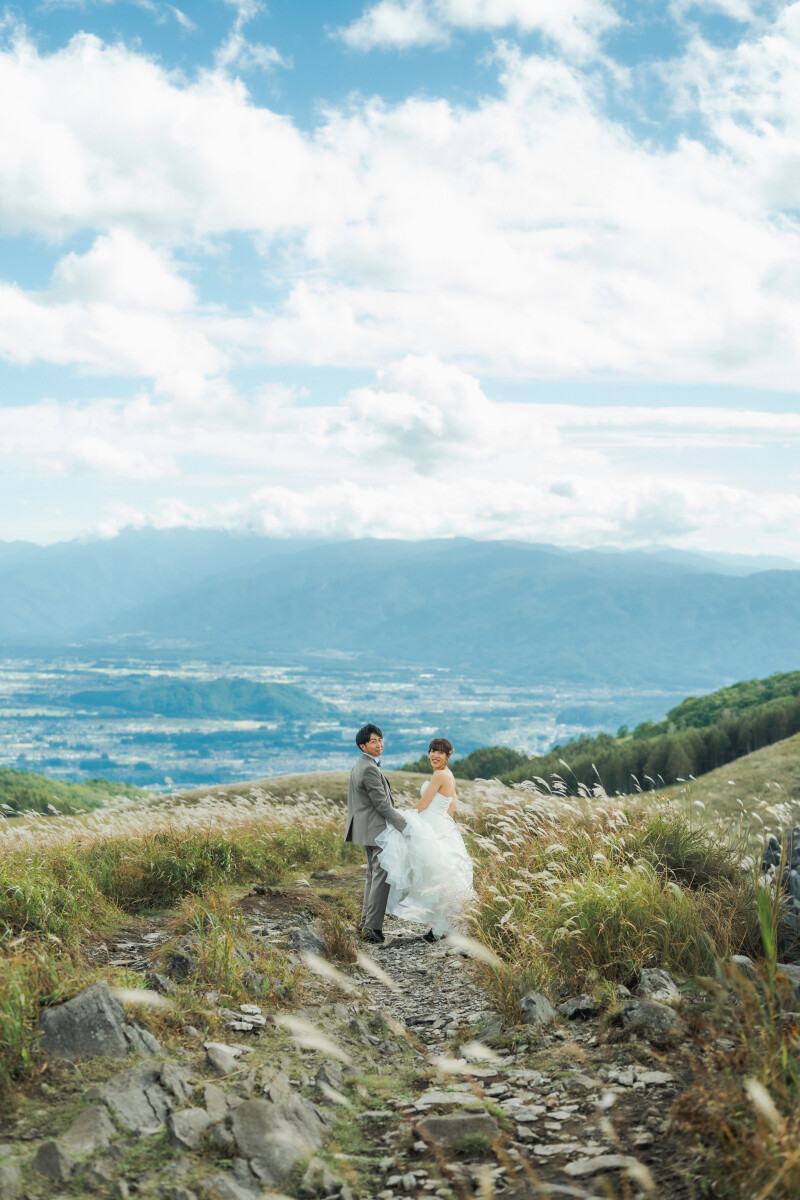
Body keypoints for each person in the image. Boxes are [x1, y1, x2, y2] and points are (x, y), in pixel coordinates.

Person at [376, 737, 475, 941]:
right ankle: (443, 926)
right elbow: (454, 804)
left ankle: (441, 927)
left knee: (434, 877)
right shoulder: (448, 774)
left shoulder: (439, 775)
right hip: (441, 824)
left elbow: (422, 804)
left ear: (448, 755)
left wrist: (402, 818)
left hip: (433, 826)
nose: (434, 755)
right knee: (441, 876)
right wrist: (440, 816)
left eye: (439, 752)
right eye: (432, 751)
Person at [345, 723, 409, 946]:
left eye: (380, 739)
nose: (379, 744)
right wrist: (404, 826)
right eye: (373, 741)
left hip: (367, 830)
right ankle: (372, 928)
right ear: (363, 745)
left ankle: (365, 925)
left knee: (373, 877)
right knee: (380, 878)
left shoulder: (360, 764)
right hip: (376, 831)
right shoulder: (370, 768)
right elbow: (382, 805)